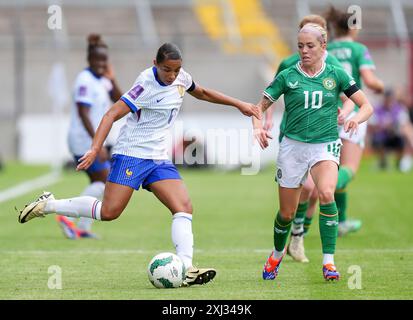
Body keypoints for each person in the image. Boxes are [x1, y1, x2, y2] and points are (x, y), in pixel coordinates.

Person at [17, 43, 260, 286]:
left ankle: (186, 267)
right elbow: (111, 114)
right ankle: (48, 205)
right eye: (167, 70)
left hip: (157, 158)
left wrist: (240, 104)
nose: (173, 76)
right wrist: (94, 148)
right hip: (131, 154)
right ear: (155, 63)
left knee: (183, 207)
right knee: (109, 212)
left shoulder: (181, 78)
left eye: (177, 70)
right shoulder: (144, 84)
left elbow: (203, 92)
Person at [253, 24, 373, 281]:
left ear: (323, 47)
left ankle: (328, 262)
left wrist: (354, 118)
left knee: (326, 192)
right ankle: (276, 253)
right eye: (300, 46)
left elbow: (366, 106)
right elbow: (259, 107)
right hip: (293, 147)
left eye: (310, 46)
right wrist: (258, 127)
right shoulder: (287, 76)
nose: (304, 51)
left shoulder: (336, 74)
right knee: (286, 214)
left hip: (325, 145)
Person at [263, 14, 353, 263]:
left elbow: (350, 100)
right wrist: (266, 117)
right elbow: (270, 94)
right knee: (300, 195)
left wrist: (344, 115)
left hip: (323, 137)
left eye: (312, 39)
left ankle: (299, 236)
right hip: (292, 137)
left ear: (323, 40)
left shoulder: (333, 65)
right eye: (301, 40)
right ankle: (293, 234)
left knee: (318, 192)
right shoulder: (288, 65)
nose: (305, 47)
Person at [303, 6, 385, 237]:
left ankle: (341, 221)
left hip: (327, 112)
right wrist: (380, 86)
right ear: (353, 27)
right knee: (348, 168)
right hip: (352, 112)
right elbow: (368, 79)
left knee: (333, 163)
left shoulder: (327, 48)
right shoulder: (358, 48)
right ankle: (320, 190)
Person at [57, 34, 123, 239]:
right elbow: (83, 113)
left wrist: (112, 78)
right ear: (90, 60)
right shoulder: (84, 80)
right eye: (98, 60)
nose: (102, 64)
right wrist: (97, 144)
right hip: (82, 140)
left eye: (105, 60)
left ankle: (82, 227)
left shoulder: (103, 80)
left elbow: (121, 100)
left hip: (92, 140)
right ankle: (67, 217)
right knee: (105, 183)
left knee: (102, 184)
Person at [369, 88, 413, 170]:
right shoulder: (377, 109)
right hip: (382, 135)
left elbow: (404, 123)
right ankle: (383, 162)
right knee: (377, 140)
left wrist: (394, 126)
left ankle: (400, 162)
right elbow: (372, 125)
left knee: (401, 139)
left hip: (395, 135)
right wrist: (383, 126)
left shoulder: (400, 109)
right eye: (387, 98)